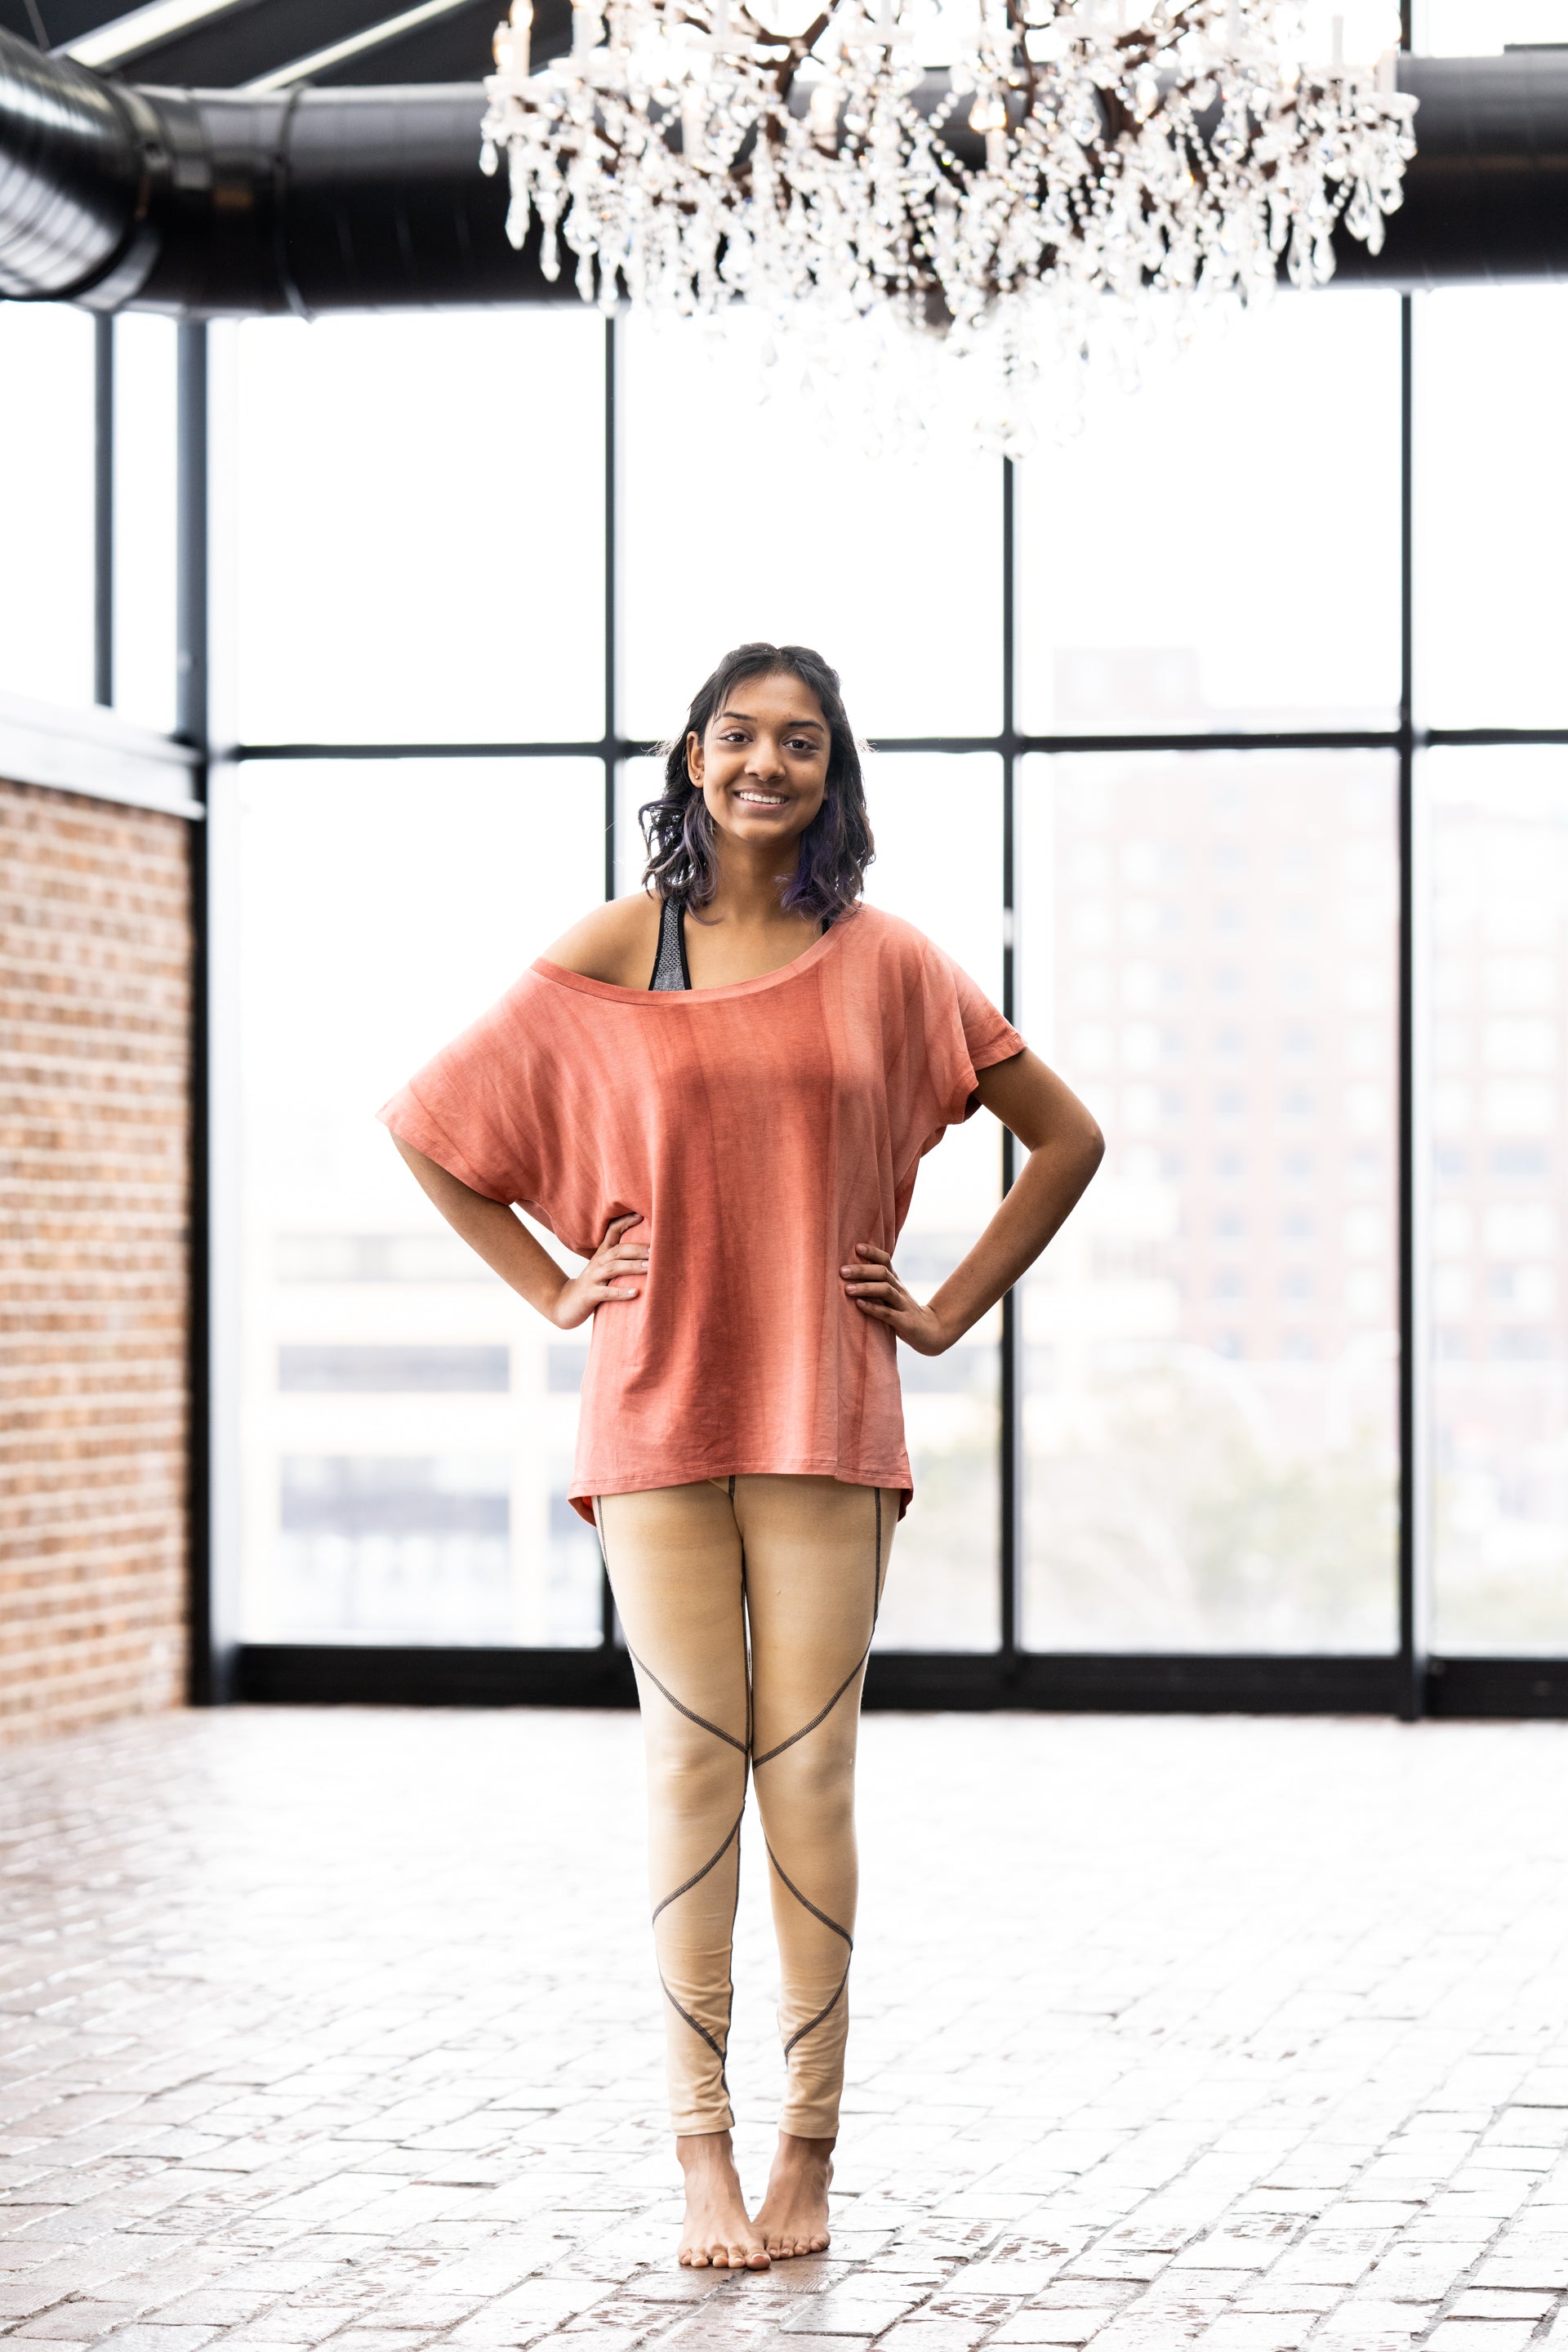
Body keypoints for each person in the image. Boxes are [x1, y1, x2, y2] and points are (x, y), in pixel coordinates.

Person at [379, 642, 1103, 2273]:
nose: (765, 761)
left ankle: (808, 2153)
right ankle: (697, 2149)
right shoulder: (617, 949)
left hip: (828, 1406)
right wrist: (554, 1285)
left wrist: (941, 1314)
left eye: (800, 740)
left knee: (816, 1771)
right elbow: (436, 1129)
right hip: (653, 1404)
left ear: (833, 772)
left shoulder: (895, 963)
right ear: (693, 759)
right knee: (694, 1762)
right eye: (738, 735)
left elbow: (1067, 1139)